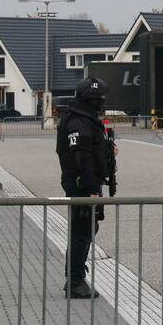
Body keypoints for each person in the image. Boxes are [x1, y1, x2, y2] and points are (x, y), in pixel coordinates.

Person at [55, 77, 113, 299]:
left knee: (86, 229)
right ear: (92, 99)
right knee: (81, 231)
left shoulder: (84, 119)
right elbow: (83, 157)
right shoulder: (78, 122)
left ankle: (76, 276)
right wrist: (91, 188)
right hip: (82, 185)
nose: (103, 101)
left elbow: (92, 150)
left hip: (86, 184)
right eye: (100, 98)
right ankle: (76, 280)